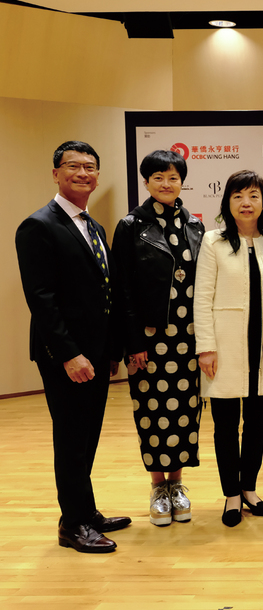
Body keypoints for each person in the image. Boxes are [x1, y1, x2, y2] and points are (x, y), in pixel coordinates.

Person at [15, 140, 131, 553]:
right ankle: (72, 525)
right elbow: (41, 299)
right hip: (67, 357)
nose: (83, 174)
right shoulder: (38, 226)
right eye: (74, 166)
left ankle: (86, 510)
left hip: (97, 354)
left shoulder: (93, 225)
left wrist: (111, 351)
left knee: (88, 436)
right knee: (70, 439)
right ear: (55, 173)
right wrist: (69, 354)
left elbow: (106, 293)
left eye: (90, 167)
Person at [112, 149, 205, 526]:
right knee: (151, 412)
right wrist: (133, 342)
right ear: (146, 182)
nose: (166, 184)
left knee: (185, 411)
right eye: (158, 178)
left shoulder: (195, 225)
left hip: (190, 337)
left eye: (173, 177)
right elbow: (122, 291)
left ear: (182, 181)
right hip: (151, 340)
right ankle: (157, 487)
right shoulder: (131, 225)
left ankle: (178, 485)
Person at [193, 170, 263, 527]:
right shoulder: (213, 241)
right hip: (225, 346)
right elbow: (201, 298)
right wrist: (206, 347)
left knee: (257, 424)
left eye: (254, 196)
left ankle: (250, 488)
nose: (246, 203)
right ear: (227, 203)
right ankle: (231, 493)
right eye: (238, 196)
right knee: (226, 425)